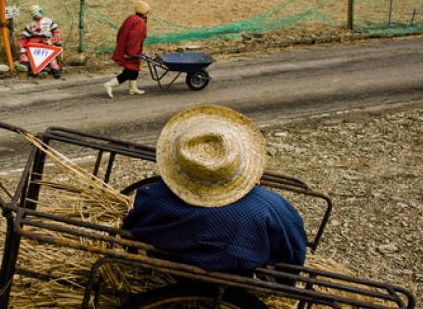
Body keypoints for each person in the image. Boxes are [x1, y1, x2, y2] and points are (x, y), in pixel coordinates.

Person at [122, 104, 307, 272]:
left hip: (180, 274)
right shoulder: (272, 207)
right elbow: (293, 253)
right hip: (248, 278)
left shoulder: (157, 201)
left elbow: (132, 228)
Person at [103, 0, 150, 98]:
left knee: (134, 68)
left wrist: (121, 46)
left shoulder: (131, 18)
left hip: (125, 47)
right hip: (131, 50)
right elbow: (134, 38)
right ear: (144, 11)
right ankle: (110, 85)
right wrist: (131, 52)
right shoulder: (140, 22)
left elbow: (120, 32)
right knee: (130, 71)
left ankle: (133, 88)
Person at [19, 4, 63, 79]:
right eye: (35, 14)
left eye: (39, 12)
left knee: (52, 59)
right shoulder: (30, 24)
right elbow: (23, 37)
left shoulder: (49, 21)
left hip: (47, 45)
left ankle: (55, 70)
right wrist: (23, 48)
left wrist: (52, 40)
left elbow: (57, 33)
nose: (38, 15)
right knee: (25, 58)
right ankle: (31, 69)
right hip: (33, 47)